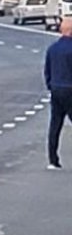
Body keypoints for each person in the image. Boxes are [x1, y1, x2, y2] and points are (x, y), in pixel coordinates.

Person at [45, 17, 72, 169]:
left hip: (56, 89)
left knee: (55, 125)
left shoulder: (53, 48)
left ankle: (53, 159)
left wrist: (51, 86)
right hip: (70, 89)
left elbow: (47, 71)